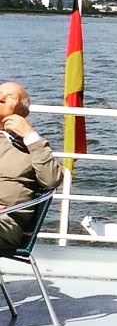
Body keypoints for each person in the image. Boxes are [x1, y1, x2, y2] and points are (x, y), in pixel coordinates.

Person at [0, 81, 64, 250]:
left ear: (23, 112)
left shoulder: (33, 147)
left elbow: (52, 180)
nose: (1, 98)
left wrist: (30, 136)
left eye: (9, 97)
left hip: (6, 222)